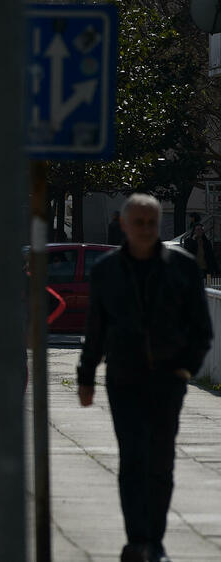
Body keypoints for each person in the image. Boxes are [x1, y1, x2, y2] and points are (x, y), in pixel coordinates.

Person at [77, 193, 212, 562]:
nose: (146, 229)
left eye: (152, 223)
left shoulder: (182, 268)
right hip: (124, 378)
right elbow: (96, 329)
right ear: (124, 225)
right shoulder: (106, 271)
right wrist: (85, 376)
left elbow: (202, 328)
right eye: (138, 223)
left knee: (161, 461)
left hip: (168, 379)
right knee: (133, 458)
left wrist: (186, 367)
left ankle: (155, 540)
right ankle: (137, 539)